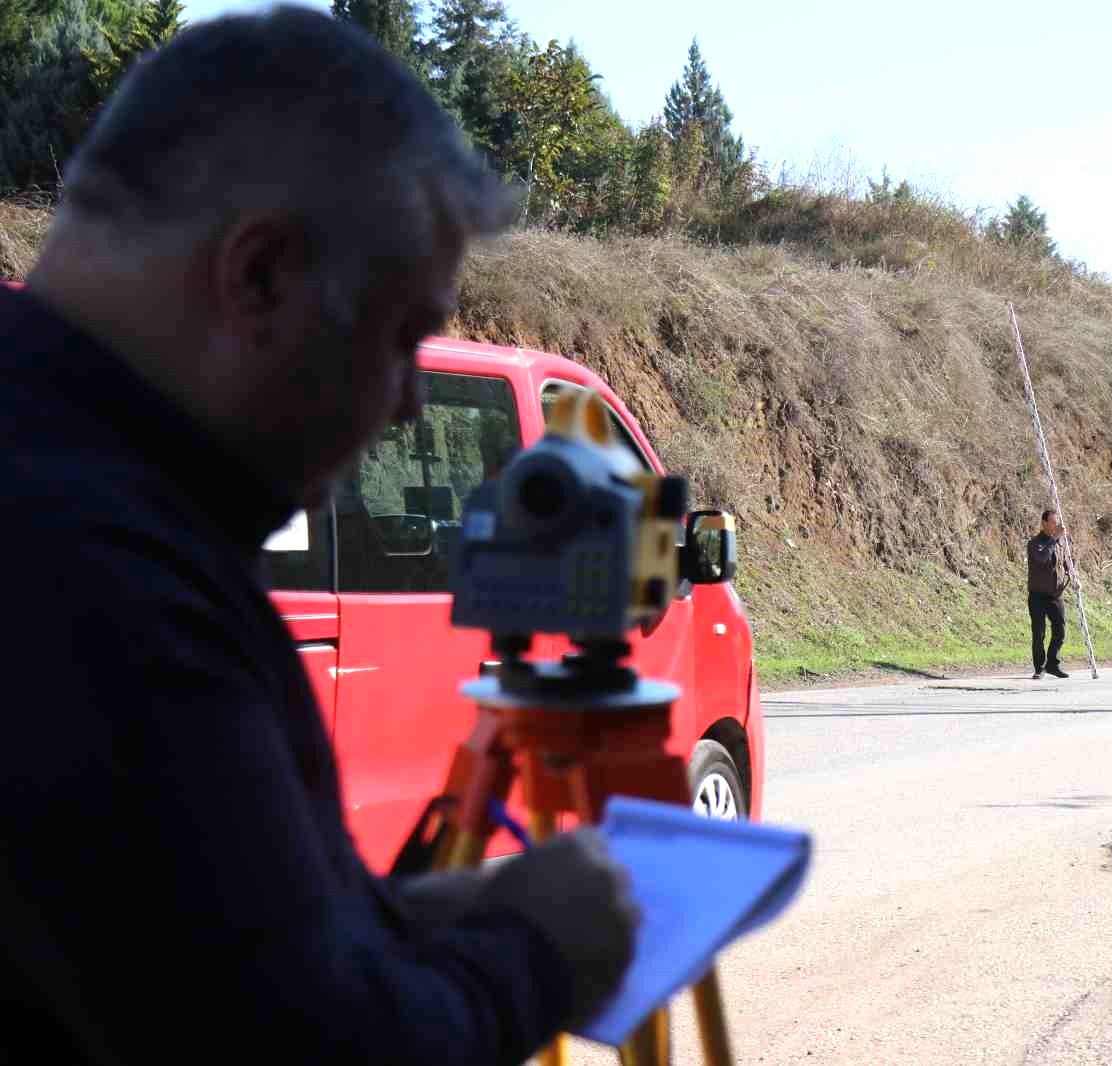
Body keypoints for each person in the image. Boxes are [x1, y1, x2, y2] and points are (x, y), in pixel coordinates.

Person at [0, 8, 638, 1064]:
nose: (401, 410)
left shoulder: (80, 496)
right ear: (258, 277)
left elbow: (183, 957)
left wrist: (393, 922)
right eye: (401, 339)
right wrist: (533, 950)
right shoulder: (110, 581)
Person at [1026, 509, 1072, 680]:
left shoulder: (1062, 543)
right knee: (1039, 632)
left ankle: (1053, 663)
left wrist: (1073, 577)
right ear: (1044, 523)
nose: (1056, 525)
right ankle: (1040, 667)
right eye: (1053, 522)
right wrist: (1054, 539)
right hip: (1037, 595)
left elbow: (1067, 562)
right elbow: (1042, 559)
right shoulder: (1035, 543)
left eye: (1057, 522)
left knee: (1060, 630)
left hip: (1055, 594)